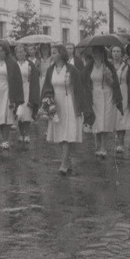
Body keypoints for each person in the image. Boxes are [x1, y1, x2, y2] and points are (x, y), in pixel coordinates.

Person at [42, 44, 89, 175]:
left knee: (68, 133)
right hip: (55, 103)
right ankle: (67, 160)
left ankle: (63, 163)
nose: (52, 55)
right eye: (51, 52)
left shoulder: (71, 70)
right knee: (59, 134)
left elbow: (80, 87)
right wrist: (47, 101)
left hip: (69, 103)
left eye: (55, 52)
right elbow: (46, 87)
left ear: (61, 54)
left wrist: (81, 107)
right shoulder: (50, 70)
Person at [83, 46, 122, 159]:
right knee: (96, 120)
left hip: (106, 94)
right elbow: (84, 78)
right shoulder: (89, 66)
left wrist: (108, 77)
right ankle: (98, 144)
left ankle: (103, 147)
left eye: (98, 52)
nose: (96, 55)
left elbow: (114, 84)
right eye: (94, 52)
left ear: (102, 53)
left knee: (104, 120)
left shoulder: (108, 65)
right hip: (94, 95)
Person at [0, 41, 24, 150]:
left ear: (6, 51)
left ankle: (6, 139)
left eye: (1, 51)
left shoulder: (12, 63)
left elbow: (17, 81)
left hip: (8, 91)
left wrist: (16, 97)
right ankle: (2, 138)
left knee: (6, 115)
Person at [112, 45, 130, 153]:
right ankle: (116, 139)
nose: (115, 53)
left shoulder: (126, 67)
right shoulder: (109, 66)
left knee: (122, 117)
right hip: (112, 93)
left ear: (122, 53)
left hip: (124, 93)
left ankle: (120, 143)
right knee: (114, 117)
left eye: (118, 51)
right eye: (114, 51)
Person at [14, 43, 40, 145]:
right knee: (19, 113)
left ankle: (27, 134)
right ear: (15, 54)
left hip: (27, 89)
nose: (20, 54)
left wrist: (33, 96)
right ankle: (21, 133)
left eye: (22, 52)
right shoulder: (14, 64)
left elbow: (34, 80)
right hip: (17, 90)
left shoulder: (30, 65)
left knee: (27, 112)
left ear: (25, 52)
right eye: (18, 52)